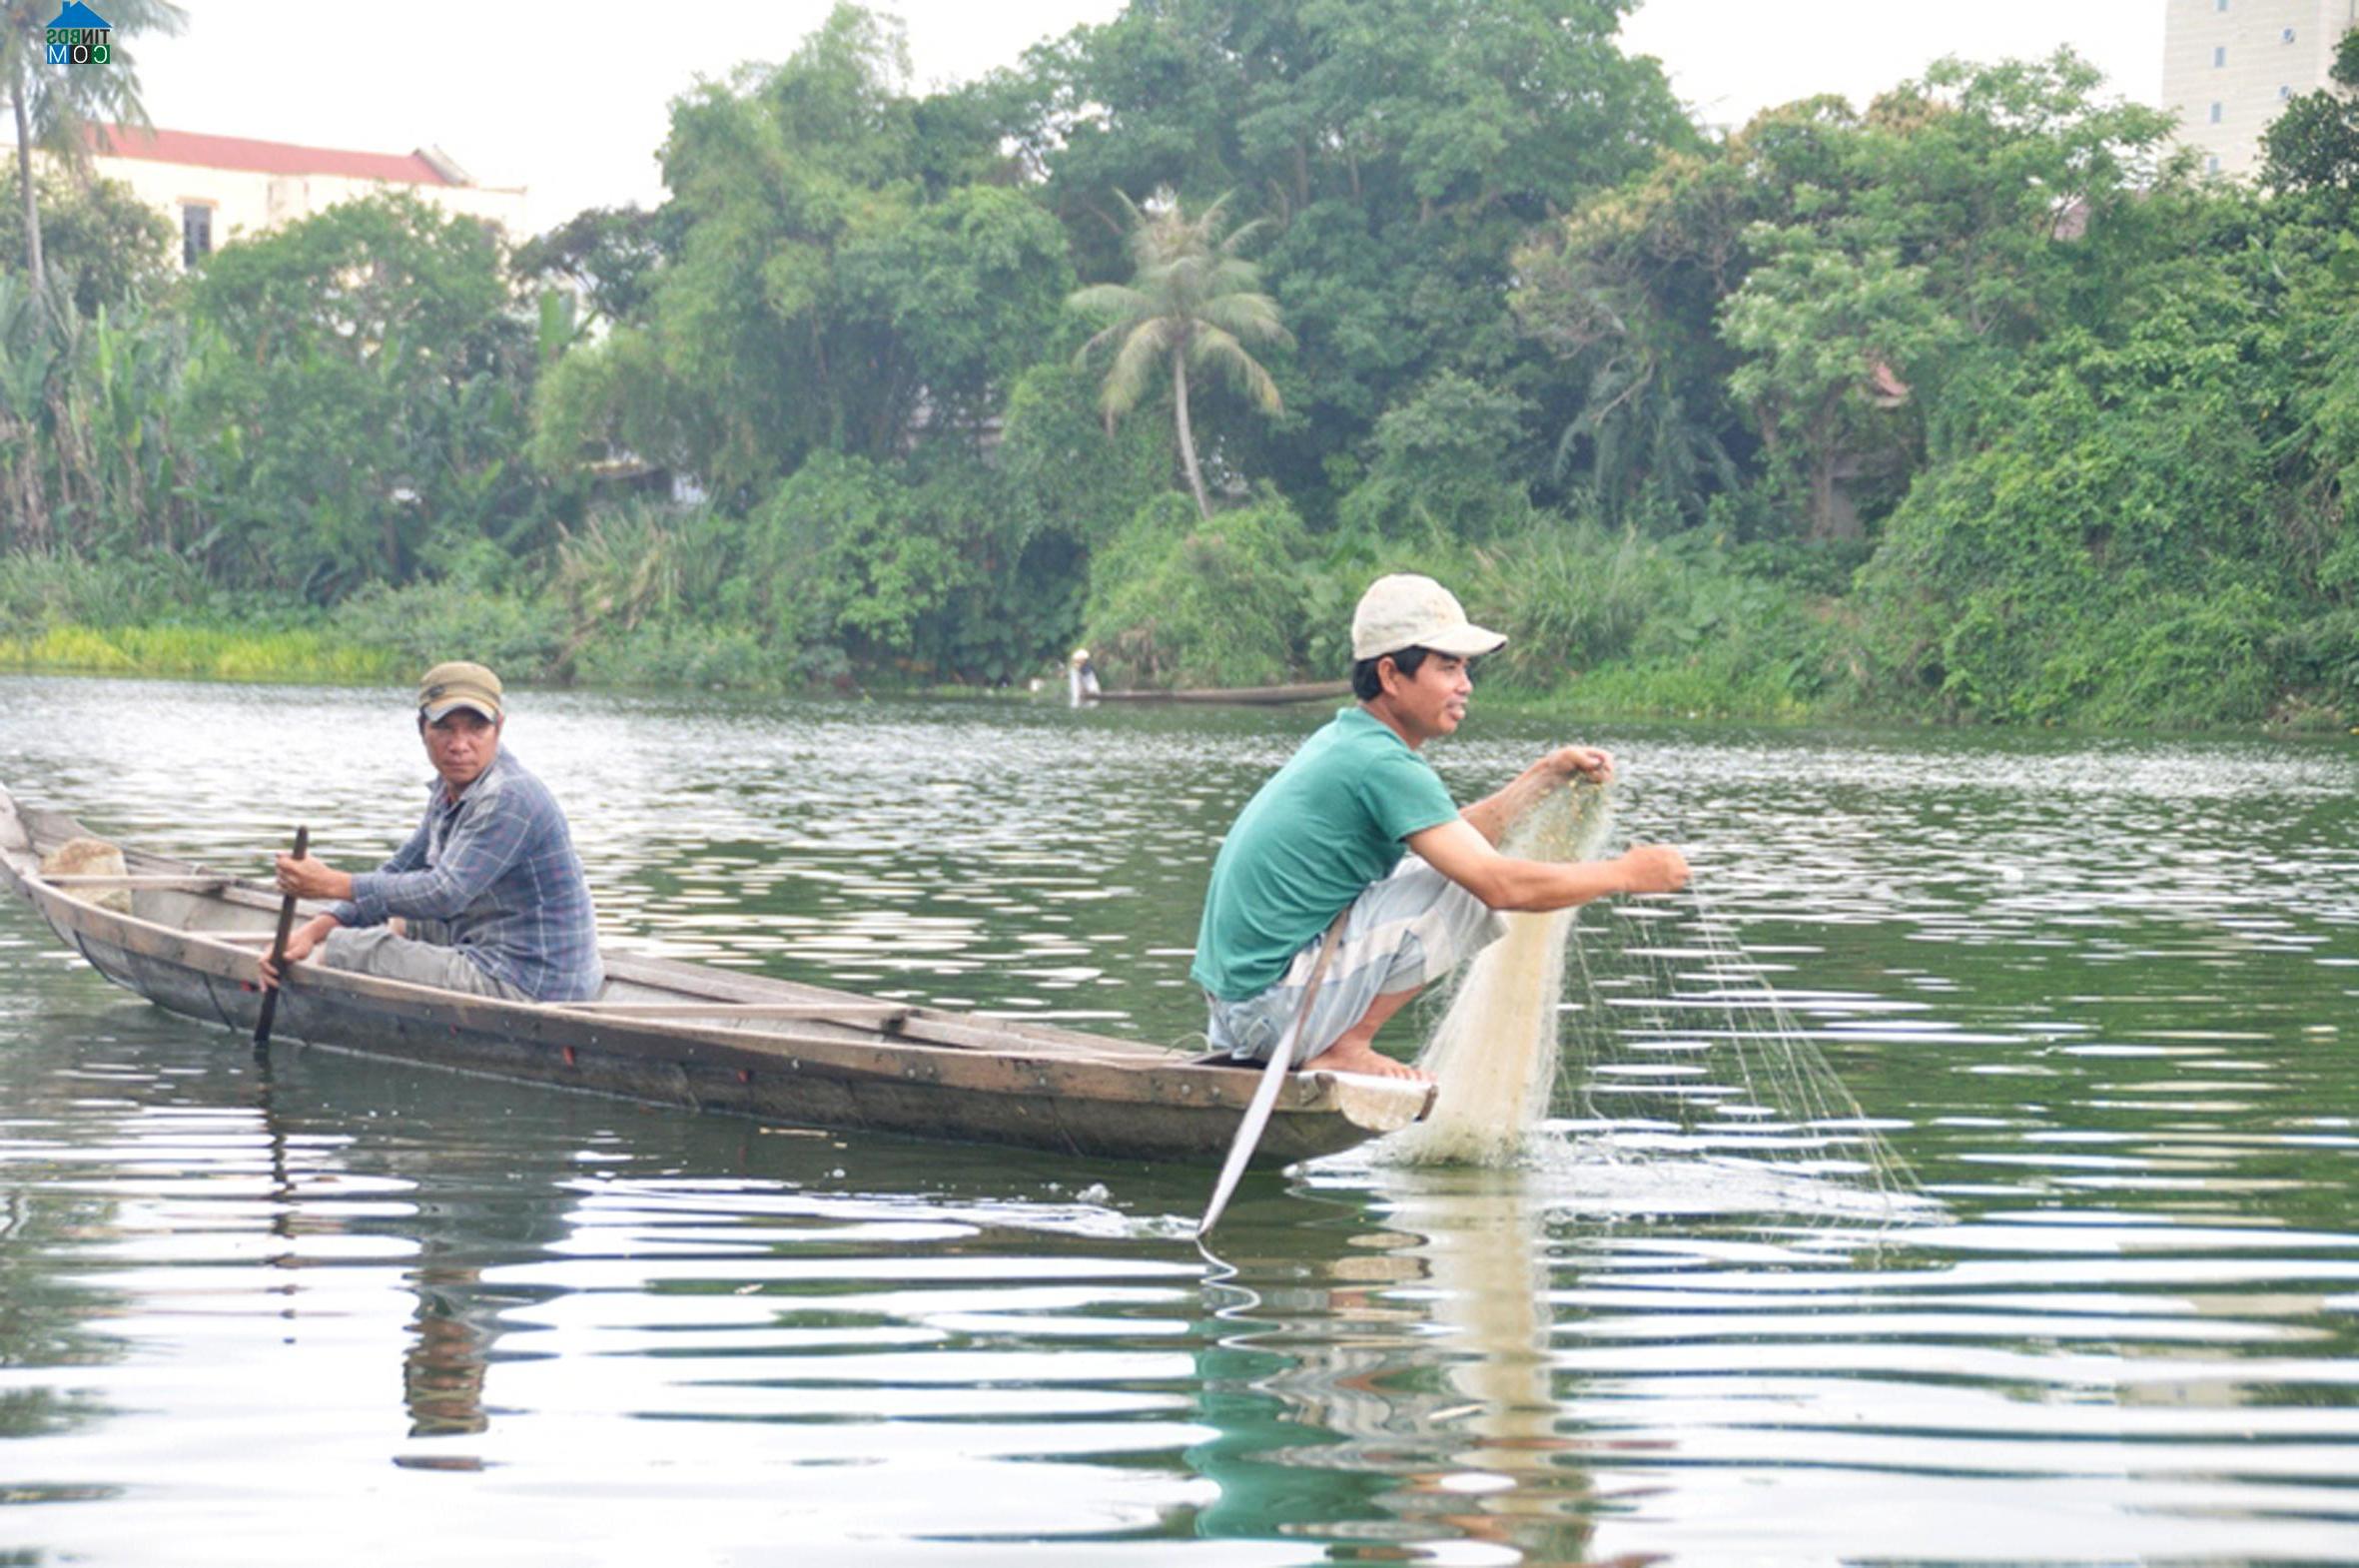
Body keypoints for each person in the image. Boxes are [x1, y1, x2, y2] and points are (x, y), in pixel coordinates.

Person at [1190, 573, 1689, 1082]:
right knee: (1470, 887)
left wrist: (1546, 775)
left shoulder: (1351, 740)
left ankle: (1335, 1037)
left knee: (1452, 868)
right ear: (1390, 675)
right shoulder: (1382, 764)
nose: (1465, 685)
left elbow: (1457, 838)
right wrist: (1627, 874)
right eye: (1447, 667)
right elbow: (1496, 884)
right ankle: (1346, 1044)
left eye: (1466, 668)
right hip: (1272, 1014)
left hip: (1242, 1015)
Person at [258, 661, 604, 1004]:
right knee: (398, 919)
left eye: (475, 728)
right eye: (445, 728)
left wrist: (331, 884)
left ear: (498, 728)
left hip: (534, 983)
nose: (459, 744)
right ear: (422, 728)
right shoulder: (452, 788)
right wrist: (311, 930)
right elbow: (401, 870)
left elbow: (444, 893)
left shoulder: (508, 796)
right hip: (499, 947)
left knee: (347, 949)